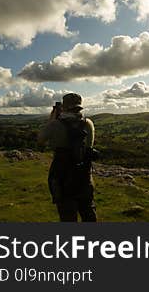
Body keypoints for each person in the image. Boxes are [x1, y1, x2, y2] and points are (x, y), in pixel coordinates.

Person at [38, 93, 97, 222]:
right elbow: (89, 147)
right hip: (85, 176)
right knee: (88, 213)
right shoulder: (88, 124)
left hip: (62, 177)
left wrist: (51, 119)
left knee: (67, 216)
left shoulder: (55, 125)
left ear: (63, 107)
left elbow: (40, 139)